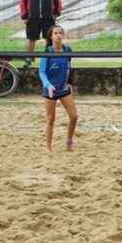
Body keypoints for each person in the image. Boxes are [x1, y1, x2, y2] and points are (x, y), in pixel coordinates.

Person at [38, 25, 78, 153]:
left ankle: (69, 142)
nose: (58, 35)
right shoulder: (47, 52)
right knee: (50, 119)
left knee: (74, 116)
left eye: (60, 32)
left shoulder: (67, 49)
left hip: (63, 88)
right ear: (51, 36)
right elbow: (42, 72)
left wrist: (70, 82)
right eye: (55, 33)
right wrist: (48, 85)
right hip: (50, 89)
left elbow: (69, 67)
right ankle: (48, 147)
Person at [19, 0, 62, 68]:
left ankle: (49, 59)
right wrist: (24, 16)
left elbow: (58, 1)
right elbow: (23, 2)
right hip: (32, 18)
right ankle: (29, 59)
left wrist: (56, 13)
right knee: (31, 39)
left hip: (48, 18)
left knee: (50, 39)